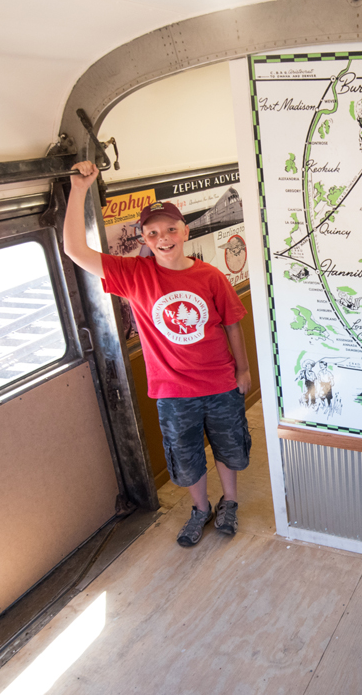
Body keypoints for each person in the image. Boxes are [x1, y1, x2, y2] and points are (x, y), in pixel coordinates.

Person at [64, 160, 253, 548]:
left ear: (184, 231)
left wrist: (243, 371)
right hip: (172, 391)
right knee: (185, 458)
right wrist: (79, 190)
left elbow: (232, 324)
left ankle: (229, 502)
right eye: (153, 232)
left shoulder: (210, 276)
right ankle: (200, 510)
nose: (163, 237)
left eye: (170, 229)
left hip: (220, 382)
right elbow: (74, 249)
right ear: (144, 239)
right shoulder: (135, 276)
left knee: (230, 447)